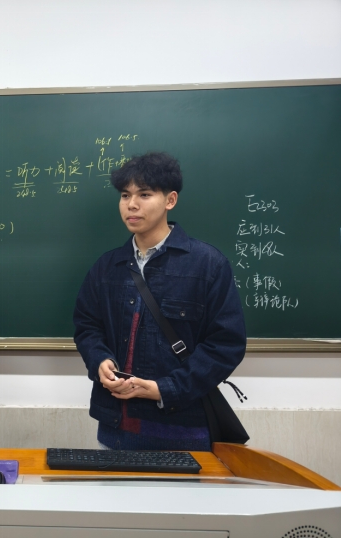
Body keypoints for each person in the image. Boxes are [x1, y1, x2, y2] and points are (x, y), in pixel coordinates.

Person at [73, 152, 246, 451]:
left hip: (184, 434)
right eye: (125, 195)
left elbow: (226, 345)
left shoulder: (207, 265)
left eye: (144, 194)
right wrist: (99, 360)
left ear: (170, 200)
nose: (132, 204)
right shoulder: (107, 267)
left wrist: (164, 389)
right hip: (115, 431)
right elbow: (87, 326)